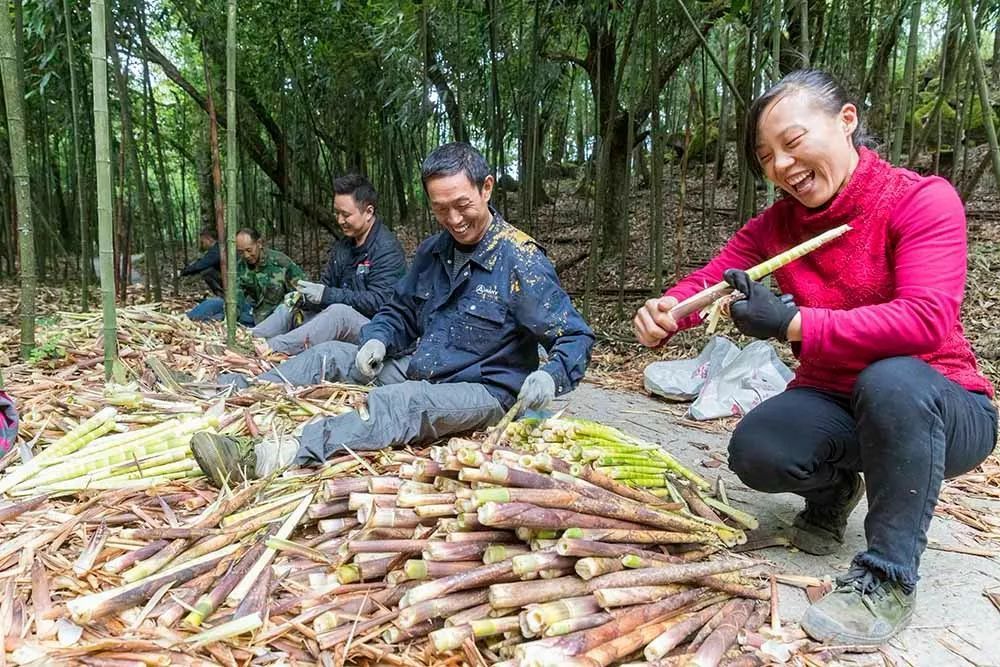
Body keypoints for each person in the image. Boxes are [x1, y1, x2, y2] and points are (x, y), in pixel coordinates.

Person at [634, 69, 997, 647]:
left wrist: (792, 322)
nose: (781, 165)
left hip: (940, 404)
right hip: (836, 398)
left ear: (846, 121)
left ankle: (889, 575)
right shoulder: (777, 224)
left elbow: (925, 318)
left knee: (892, 380)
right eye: (766, 156)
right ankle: (832, 493)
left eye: (793, 141)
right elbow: (714, 278)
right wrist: (669, 310)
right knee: (759, 449)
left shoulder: (919, 199)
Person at [196, 143, 594, 479]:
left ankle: (270, 457)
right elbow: (399, 311)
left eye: (462, 205)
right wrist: (378, 338)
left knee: (403, 403)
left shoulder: (520, 259)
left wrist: (550, 376)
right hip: (423, 366)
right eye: (441, 209)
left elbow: (573, 336)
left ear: (486, 188)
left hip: (485, 391)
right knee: (333, 353)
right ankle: (239, 389)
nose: (453, 220)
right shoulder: (433, 251)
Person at [250, 174, 406, 354]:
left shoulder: (386, 249)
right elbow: (327, 286)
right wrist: (306, 297)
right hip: (339, 318)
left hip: (377, 330)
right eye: (337, 213)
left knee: (339, 313)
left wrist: (327, 295)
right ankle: (249, 338)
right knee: (292, 305)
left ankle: (272, 349)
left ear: (369, 212)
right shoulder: (344, 246)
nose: (339, 220)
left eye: (346, 214)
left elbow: (380, 302)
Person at [186, 228, 305, 326]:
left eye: (249, 250)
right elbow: (236, 297)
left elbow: (302, 291)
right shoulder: (240, 266)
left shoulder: (280, 262)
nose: (246, 255)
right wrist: (229, 320)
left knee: (216, 318)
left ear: (259, 244)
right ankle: (184, 321)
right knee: (215, 304)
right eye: (241, 252)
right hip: (252, 312)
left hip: (275, 317)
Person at [180, 227, 223, 297]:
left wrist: (183, 272)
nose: (202, 244)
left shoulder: (217, 250)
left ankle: (222, 296)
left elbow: (201, 265)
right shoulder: (217, 248)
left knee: (206, 271)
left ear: (209, 239)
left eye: (203, 241)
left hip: (233, 280)